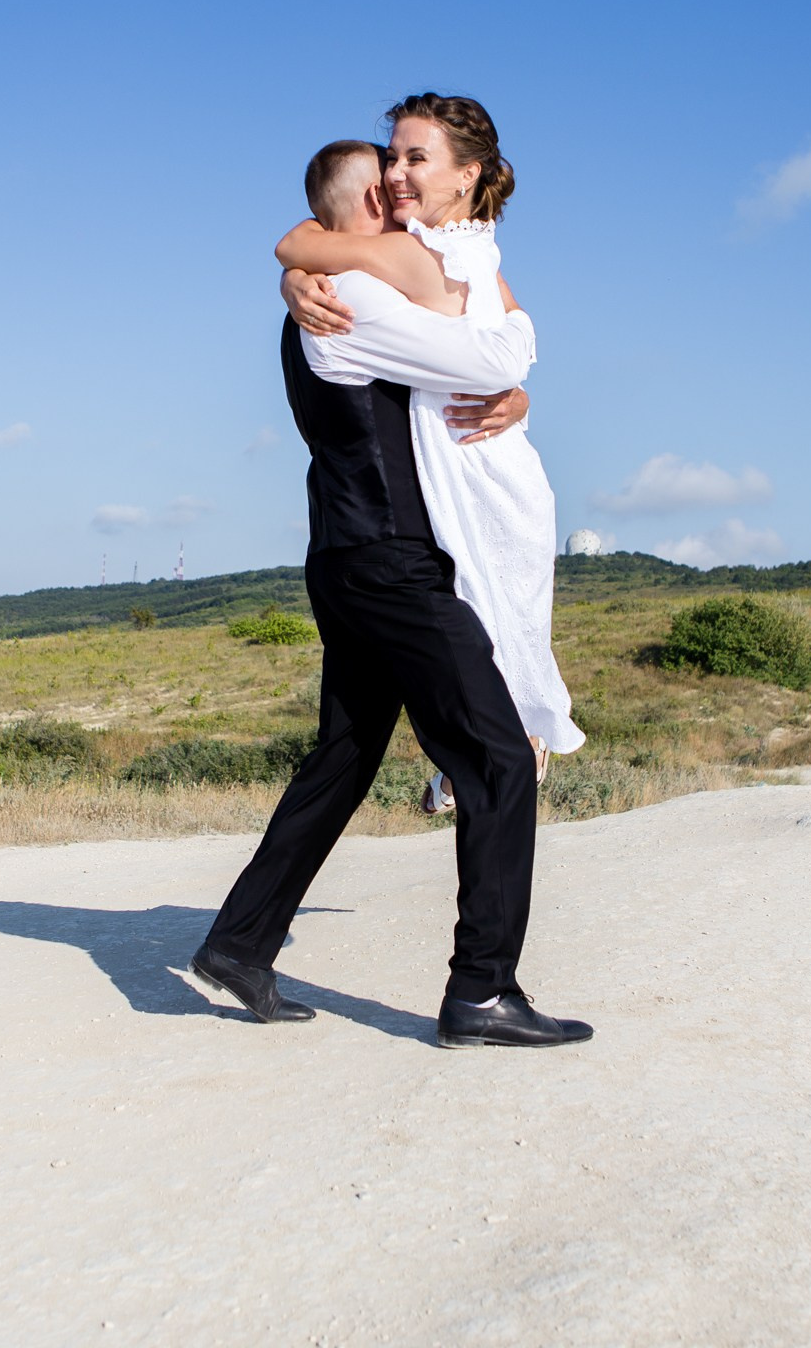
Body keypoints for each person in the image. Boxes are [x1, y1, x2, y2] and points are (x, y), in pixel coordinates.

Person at [191, 99, 592, 1051]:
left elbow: (471, 351)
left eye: (417, 168)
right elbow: (480, 348)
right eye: (386, 184)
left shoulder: (351, 290)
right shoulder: (354, 298)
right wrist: (307, 267)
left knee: (347, 754)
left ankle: (240, 943)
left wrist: (515, 388)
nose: (402, 196)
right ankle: (481, 992)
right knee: (496, 758)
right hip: (391, 563)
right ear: (352, 214)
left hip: (351, 557)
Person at [271, 96, 585, 813]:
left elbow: (504, 345)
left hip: (479, 469)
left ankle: (505, 750)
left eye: (416, 158)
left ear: (466, 175)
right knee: (475, 618)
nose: (399, 176)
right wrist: (295, 279)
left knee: (491, 610)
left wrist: (518, 397)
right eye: (393, 161)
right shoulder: (414, 256)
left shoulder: (432, 252)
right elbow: (301, 245)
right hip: (440, 487)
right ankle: (496, 751)